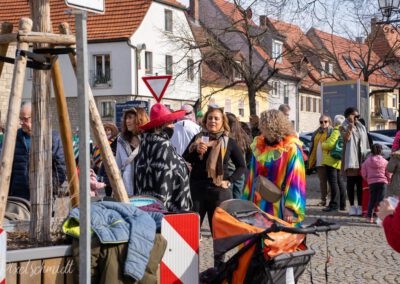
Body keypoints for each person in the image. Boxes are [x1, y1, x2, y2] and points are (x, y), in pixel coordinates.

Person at [183, 105, 246, 228]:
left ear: (222, 121)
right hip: (197, 190)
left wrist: (229, 181)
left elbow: (242, 166)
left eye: (216, 119)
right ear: (205, 121)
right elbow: (185, 158)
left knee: (219, 232)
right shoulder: (197, 139)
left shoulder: (229, 142)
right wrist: (195, 149)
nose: (213, 121)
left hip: (219, 192)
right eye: (210, 118)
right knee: (191, 230)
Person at [243, 109, 306, 227]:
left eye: (263, 125)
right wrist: (246, 201)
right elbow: (252, 175)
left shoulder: (290, 148)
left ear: (272, 126)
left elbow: (296, 180)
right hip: (258, 202)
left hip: (279, 205)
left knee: (278, 239)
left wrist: (291, 207)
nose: (261, 128)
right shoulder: (259, 147)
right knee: (260, 238)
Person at [135, 103, 192, 212]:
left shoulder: (144, 143)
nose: (173, 126)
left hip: (146, 202)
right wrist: (184, 165)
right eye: (170, 123)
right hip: (166, 206)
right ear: (161, 126)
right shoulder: (163, 145)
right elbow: (172, 170)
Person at [9, 102, 66, 201]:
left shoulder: (52, 138)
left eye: (25, 119)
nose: (21, 122)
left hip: (43, 195)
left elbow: (60, 167)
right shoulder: (14, 137)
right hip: (18, 195)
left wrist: (51, 189)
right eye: (20, 118)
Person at [340, 107, 370, 216]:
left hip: (361, 159)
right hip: (351, 160)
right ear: (348, 116)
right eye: (354, 116)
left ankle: (361, 206)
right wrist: (350, 126)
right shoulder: (342, 127)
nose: (356, 118)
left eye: (358, 116)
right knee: (351, 184)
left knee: (360, 185)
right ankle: (352, 206)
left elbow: (366, 142)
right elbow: (346, 138)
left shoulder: (361, 127)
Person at [115, 107, 149, 197]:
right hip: (128, 186)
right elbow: (118, 164)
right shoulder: (121, 139)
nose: (127, 121)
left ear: (139, 119)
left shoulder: (148, 138)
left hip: (145, 184)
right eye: (126, 118)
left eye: (130, 117)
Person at [322, 115, 347, 212]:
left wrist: (323, 145)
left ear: (336, 123)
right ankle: (342, 204)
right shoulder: (344, 132)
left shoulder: (336, 131)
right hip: (339, 160)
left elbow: (330, 145)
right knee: (340, 182)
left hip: (331, 160)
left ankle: (334, 205)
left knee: (333, 183)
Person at [361, 144, 392, 222]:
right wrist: (389, 180)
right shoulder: (385, 161)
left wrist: (367, 179)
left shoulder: (367, 161)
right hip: (383, 183)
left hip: (372, 183)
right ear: (381, 151)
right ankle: (380, 218)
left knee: (372, 200)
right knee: (381, 201)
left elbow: (363, 172)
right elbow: (388, 173)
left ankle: (369, 217)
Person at [226, 112, 252, 199]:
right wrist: (244, 164)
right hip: (240, 172)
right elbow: (249, 153)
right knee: (238, 198)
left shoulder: (227, 137)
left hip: (229, 171)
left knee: (228, 200)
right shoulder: (243, 135)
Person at [309, 115, 333, 207]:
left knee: (331, 182)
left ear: (329, 122)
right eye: (321, 122)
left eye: (325, 121)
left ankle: (332, 201)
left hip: (329, 160)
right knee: (322, 182)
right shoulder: (316, 133)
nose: (323, 123)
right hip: (319, 161)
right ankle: (323, 200)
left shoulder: (332, 132)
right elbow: (313, 147)